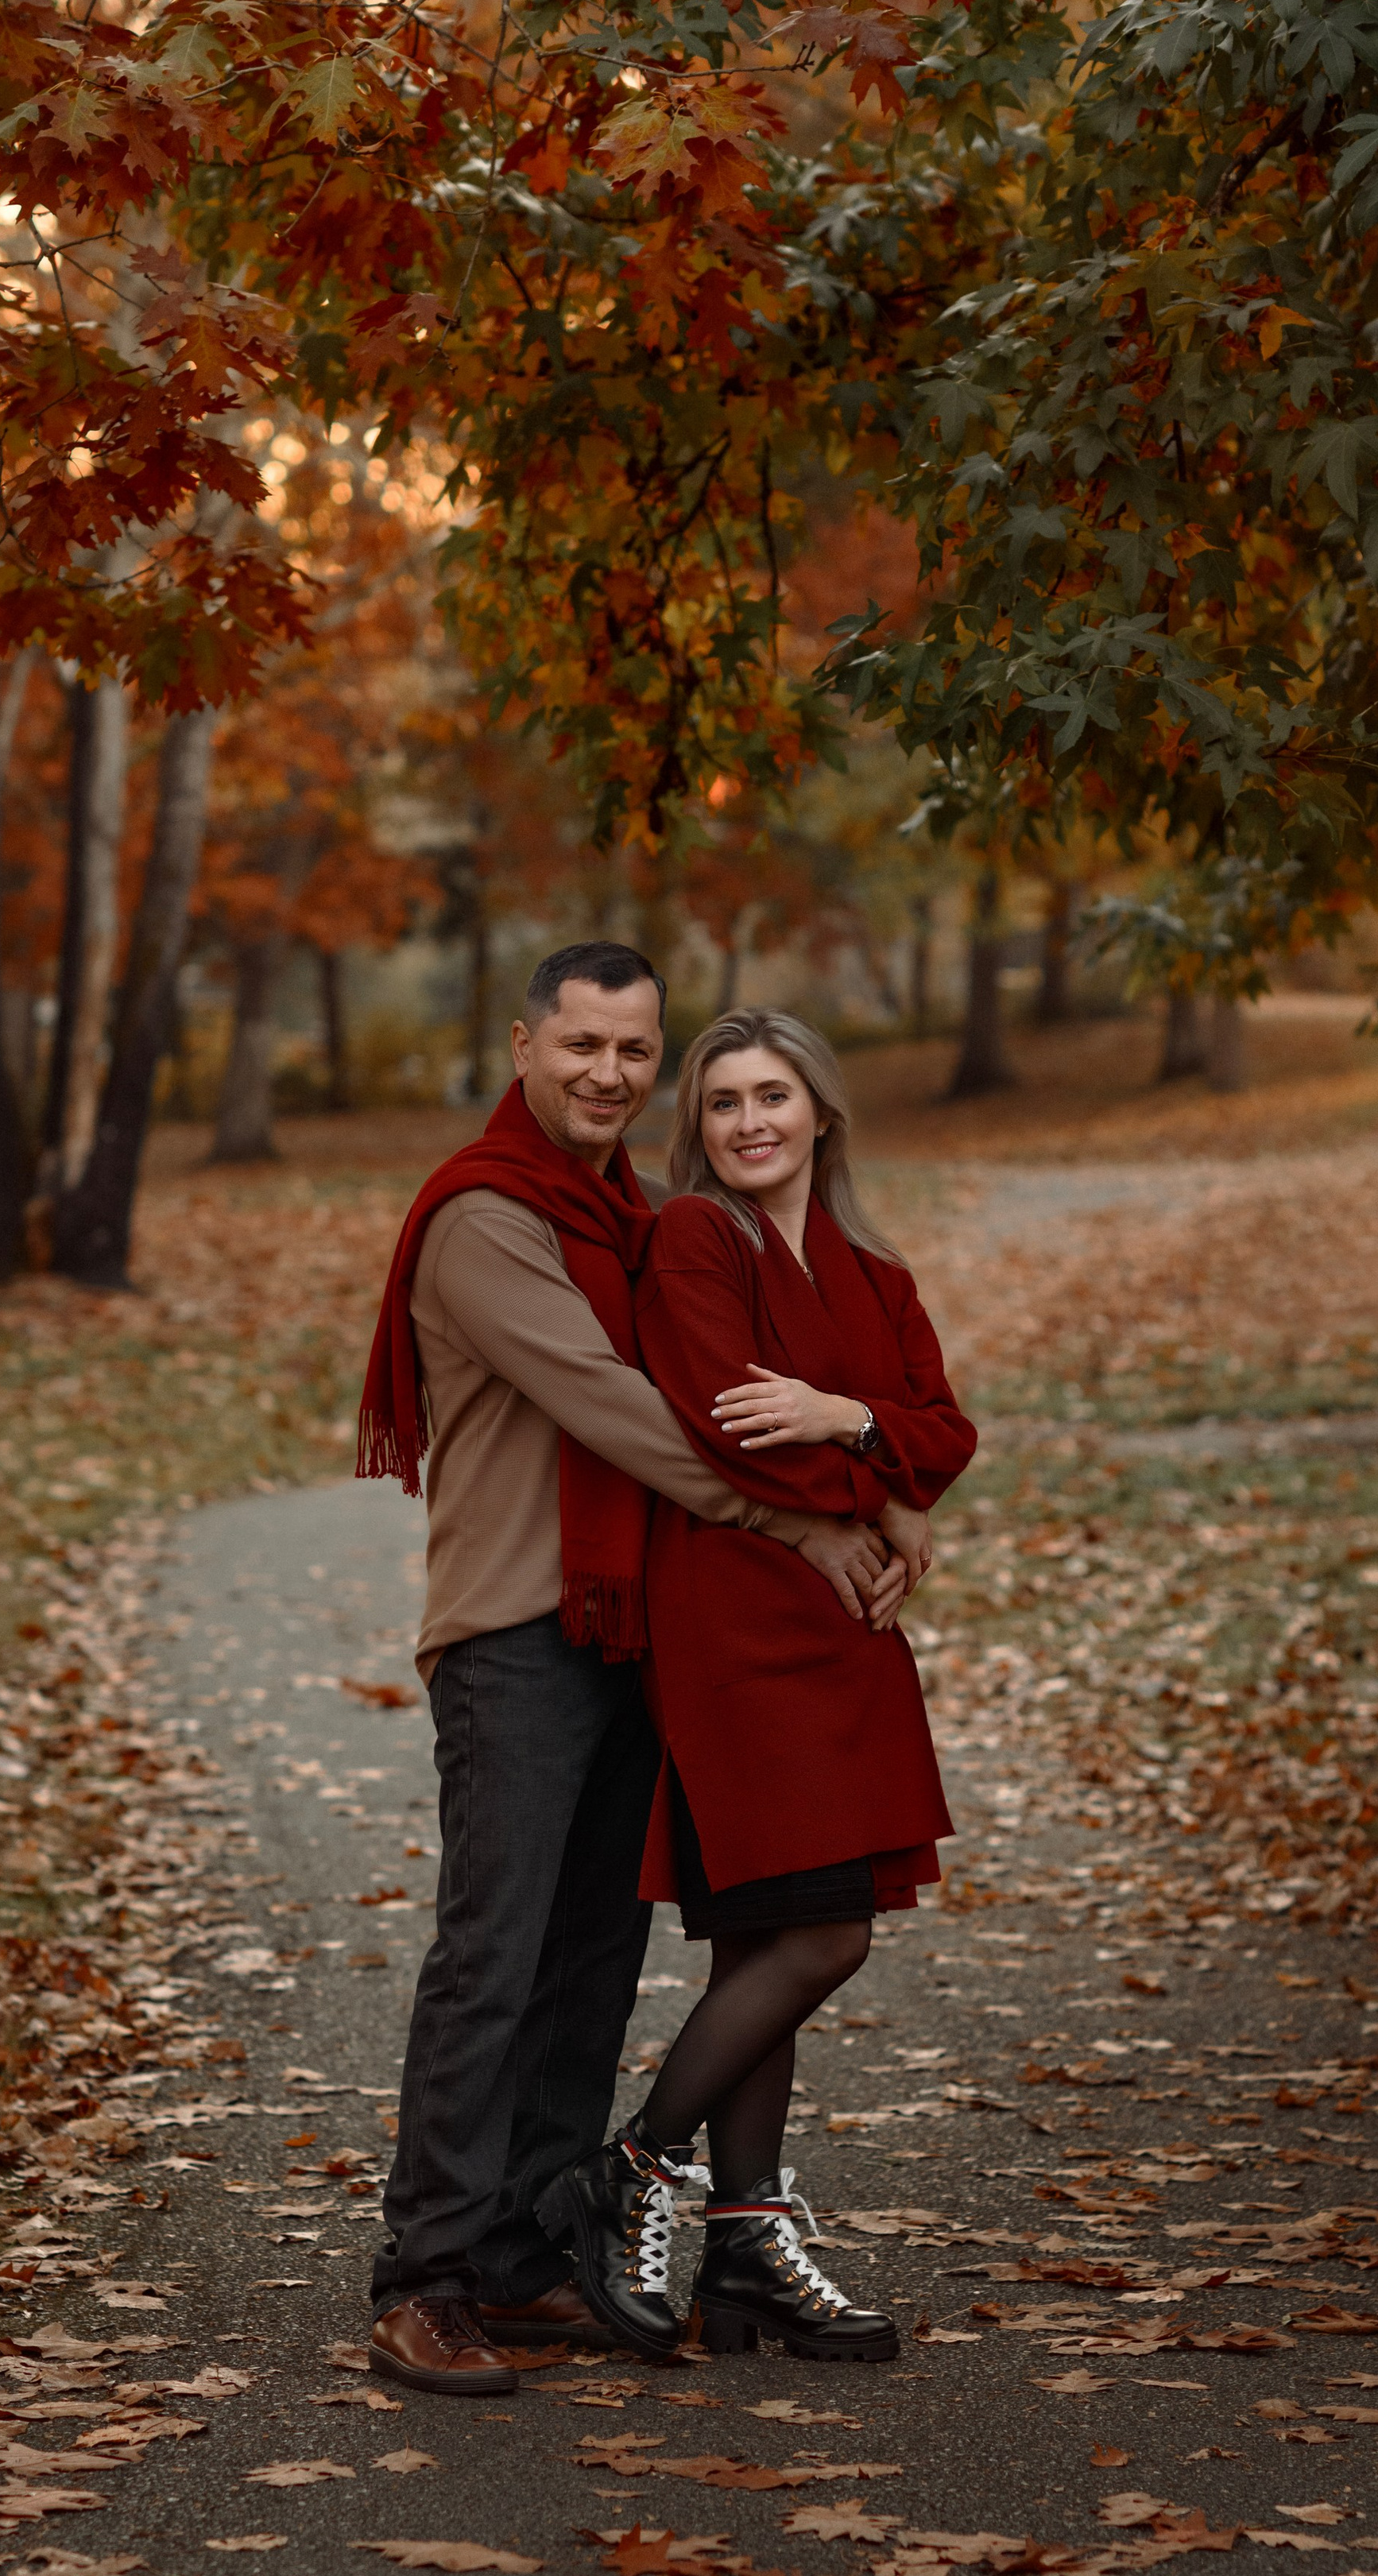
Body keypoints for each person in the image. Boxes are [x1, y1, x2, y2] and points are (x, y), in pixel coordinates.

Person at [354, 946, 903, 2396]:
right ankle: (426, 2273)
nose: (608, 1072)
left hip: (631, 1627)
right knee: (495, 1951)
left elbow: (763, 1380)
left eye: (634, 1051)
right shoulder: (486, 1219)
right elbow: (633, 1417)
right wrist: (798, 1521)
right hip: (513, 1629)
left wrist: (883, 1493)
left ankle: (529, 2252)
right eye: (581, 1043)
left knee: (590, 1958)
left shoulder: (639, 1219)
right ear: (525, 1041)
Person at [535, 1009, 977, 2363]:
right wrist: (878, 1491)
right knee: (823, 1933)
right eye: (721, 1102)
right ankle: (636, 2165)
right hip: (733, 1614)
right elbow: (732, 1429)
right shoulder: (692, 1242)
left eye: (771, 1095)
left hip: (845, 1629)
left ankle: (747, 2262)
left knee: (765, 1941)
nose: (747, 1123)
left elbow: (944, 1432)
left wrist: (853, 1429)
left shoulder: (874, 1270)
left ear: (820, 1112)